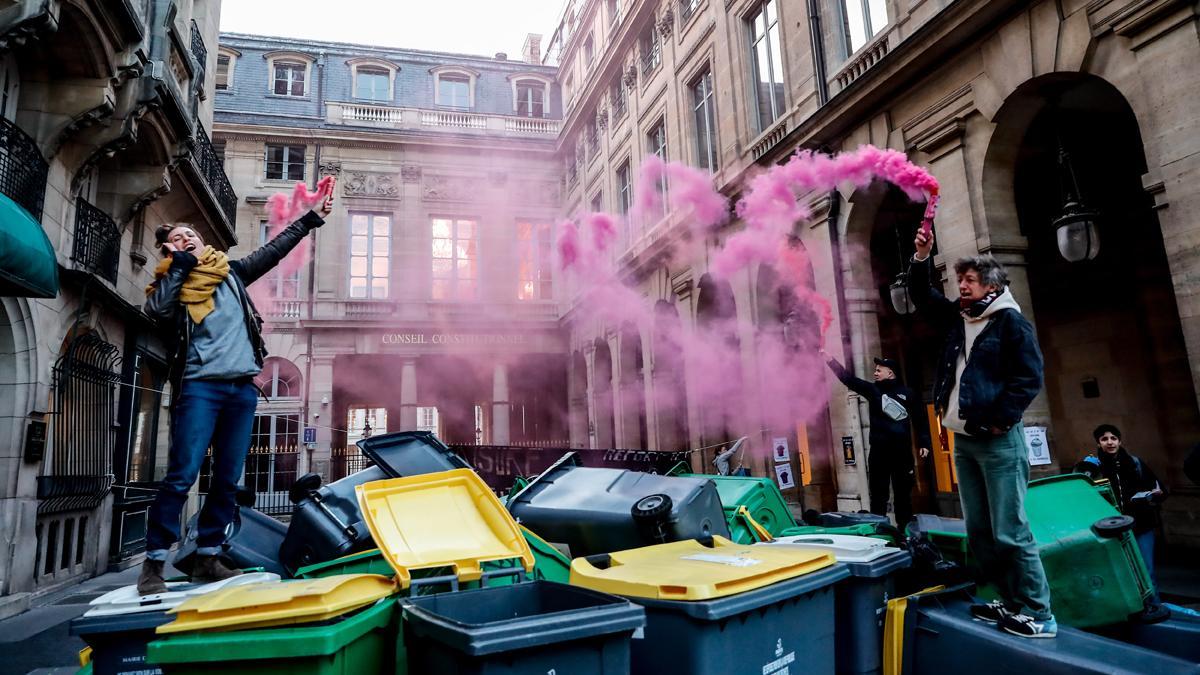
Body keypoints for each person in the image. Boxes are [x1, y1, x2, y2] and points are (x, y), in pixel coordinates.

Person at [138, 193, 334, 595]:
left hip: (241, 388)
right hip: (200, 386)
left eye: (190, 233)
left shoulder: (230, 273)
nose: (187, 238)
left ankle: (209, 555)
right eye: (178, 237)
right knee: (181, 476)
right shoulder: (171, 286)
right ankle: (154, 562)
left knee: (227, 479)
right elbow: (155, 312)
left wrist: (311, 219)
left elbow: (273, 250)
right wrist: (179, 266)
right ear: (169, 248)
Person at [908, 228, 1055, 638]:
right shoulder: (962, 318)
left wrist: (1001, 419)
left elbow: (1029, 377)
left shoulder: (1010, 323)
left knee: (1010, 529)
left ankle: (1040, 614)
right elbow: (925, 298)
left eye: (969, 281)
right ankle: (1010, 601)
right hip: (965, 440)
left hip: (997, 441)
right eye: (960, 282)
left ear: (992, 284)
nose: (962, 287)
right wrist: (921, 255)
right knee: (979, 530)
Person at [822, 352, 931, 527]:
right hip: (879, 453)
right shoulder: (873, 390)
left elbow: (920, 420)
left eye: (879, 370)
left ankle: (904, 533)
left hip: (901, 454)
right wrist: (830, 360)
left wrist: (924, 442)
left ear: (891, 373)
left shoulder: (907, 393)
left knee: (903, 496)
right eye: (875, 370)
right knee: (878, 497)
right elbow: (848, 379)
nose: (875, 373)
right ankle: (880, 532)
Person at [1074, 424, 1166, 597]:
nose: (1110, 442)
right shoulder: (1094, 467)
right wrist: (1085, 469)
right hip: (1111, 528)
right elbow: (1079, 493)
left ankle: (1154, 607)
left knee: (1147, 571)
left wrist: (1156, 494)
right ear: (1098, 443)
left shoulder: (1135, 463)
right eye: (1104, 439)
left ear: (1119, 441)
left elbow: (1159, 489)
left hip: (1141, 525)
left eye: (1113, 438)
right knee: (1123, 573)